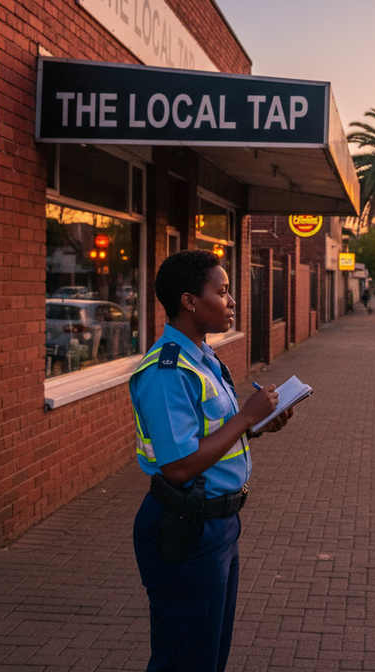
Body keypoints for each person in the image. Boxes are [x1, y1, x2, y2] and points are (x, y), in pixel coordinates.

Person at [130, 249, 293, 672]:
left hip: (219, 525)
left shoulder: (204, 357)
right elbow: (178, 466)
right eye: (222, 292)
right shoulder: (168, 369)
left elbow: (210, 434)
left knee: (209, 654)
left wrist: (259, 424)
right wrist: (246, 415)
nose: (232, 302)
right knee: (185, 658)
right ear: (189, 301)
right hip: (186, 527)